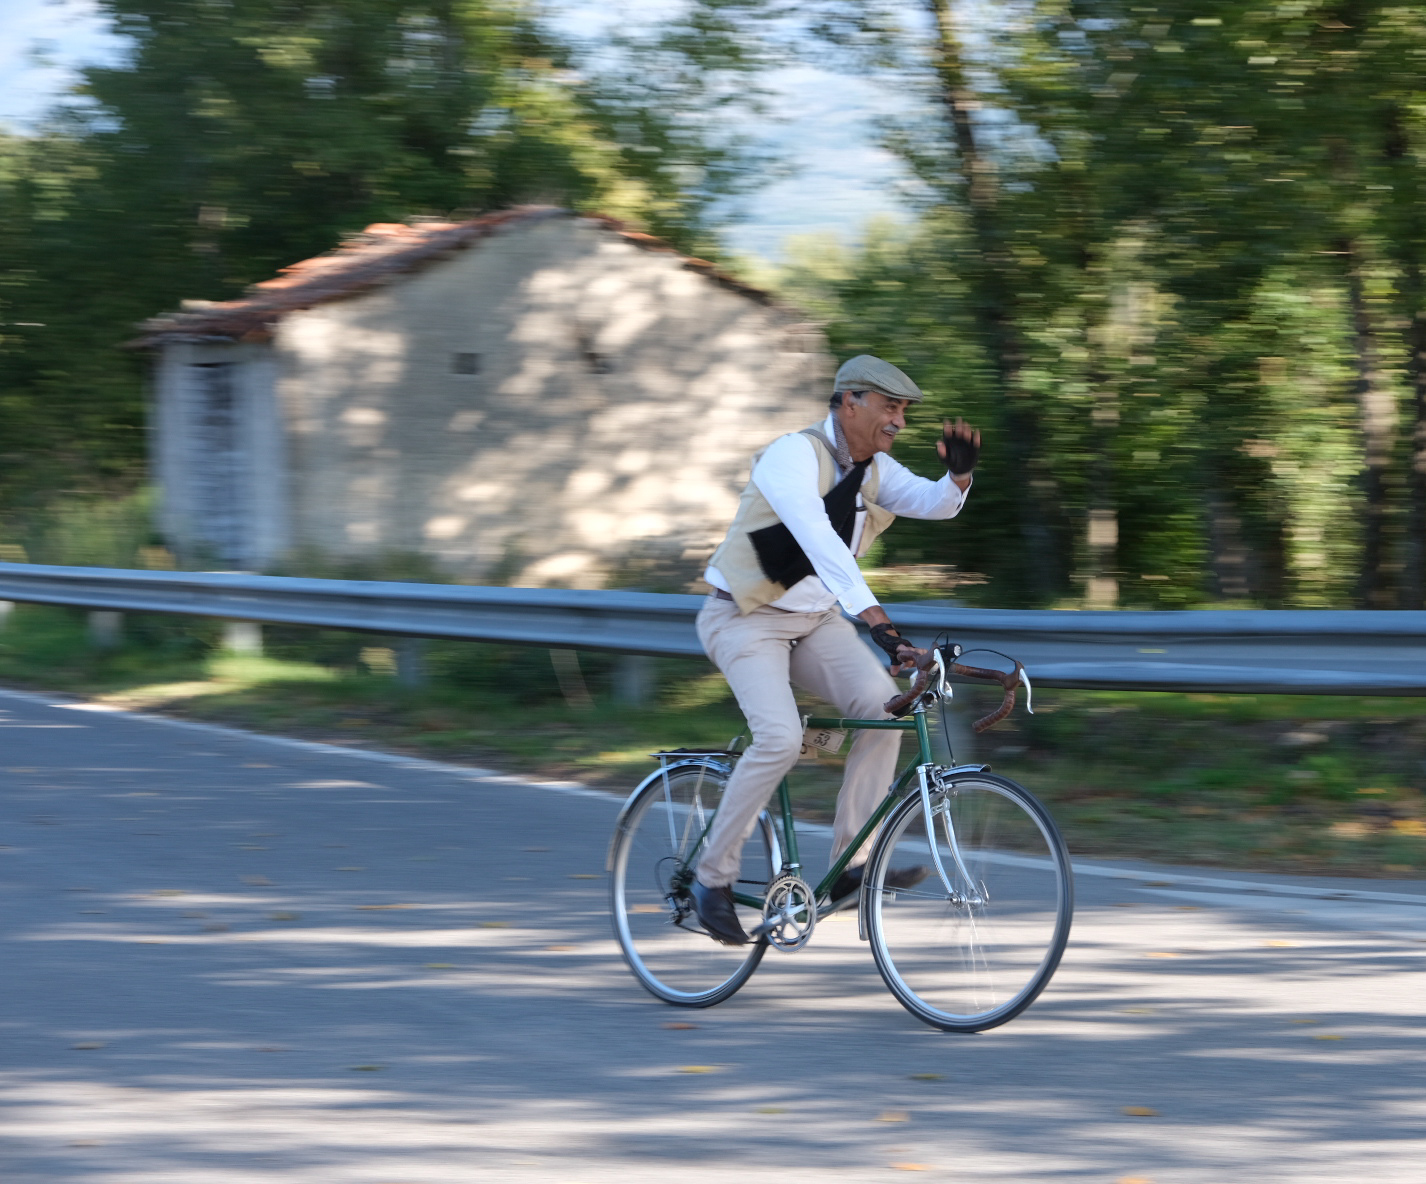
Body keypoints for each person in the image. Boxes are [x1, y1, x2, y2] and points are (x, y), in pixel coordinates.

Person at [691, 354, 980, 945]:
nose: (899, 421)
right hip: (743, 617)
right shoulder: (792, 455)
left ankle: (851, 869)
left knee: (884, 712)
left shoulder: (875, 470)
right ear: (850, 401)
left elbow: (935, 503)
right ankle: (710, 881)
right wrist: (876, 619)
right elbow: (819, 539)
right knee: (778, 738)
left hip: (813, 622)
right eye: (889, 407)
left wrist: (959, 479)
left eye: (904, 411)